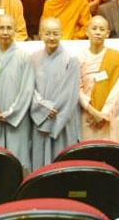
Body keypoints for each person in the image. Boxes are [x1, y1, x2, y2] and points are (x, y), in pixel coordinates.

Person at [30, 17, 81, 169]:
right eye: (47, 33)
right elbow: (29, 88)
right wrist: (43, 109)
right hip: (40, 118)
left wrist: (53, 113)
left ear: (62, 34)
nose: (51, 37)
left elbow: (70, 94)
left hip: (62, 120)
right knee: (40, 164)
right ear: (40, 34)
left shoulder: (70, 59)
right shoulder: (33, 58)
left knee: (62, 162)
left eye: (55, 33)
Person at [0, 15, 34, 171]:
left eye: (9, 28)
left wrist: (11, 113)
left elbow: (27, 90)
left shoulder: (24, 57)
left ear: (16, 30)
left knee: (18, 160)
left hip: (17, 120)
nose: (5, 32)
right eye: (1, 28)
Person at [77, 16, 119, 146]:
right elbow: (76, 89)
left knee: (110, 152)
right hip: (87, 114)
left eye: (102, 29)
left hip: (110, 115)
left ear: (107, 33)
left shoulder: (116, 58)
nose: (98, 32)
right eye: (94, 28)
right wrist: (92, 111)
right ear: (87, 31)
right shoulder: (79, 58)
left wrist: (103, 113)